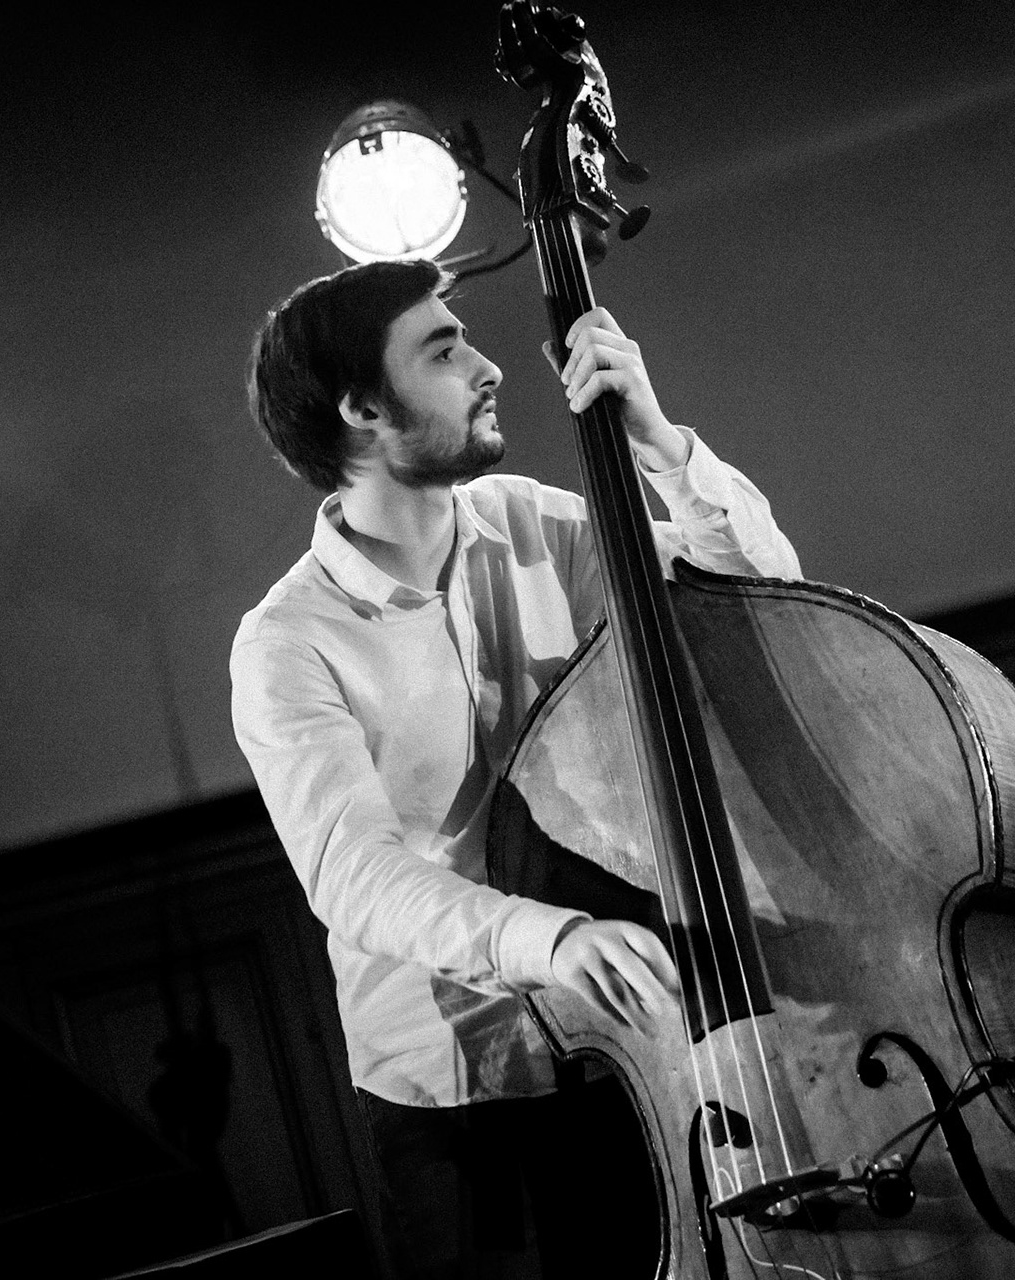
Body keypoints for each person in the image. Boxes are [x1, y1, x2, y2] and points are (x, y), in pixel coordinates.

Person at [230, 258, 802, 1279]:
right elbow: (352, 872)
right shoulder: (287, 644)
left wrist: (660, 444)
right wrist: (551, 936)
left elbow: (766, 611)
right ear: (362, 406)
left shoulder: (535, 523)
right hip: (457, 1100)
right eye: (445, 351)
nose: (490, 367)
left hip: (627, 1055)